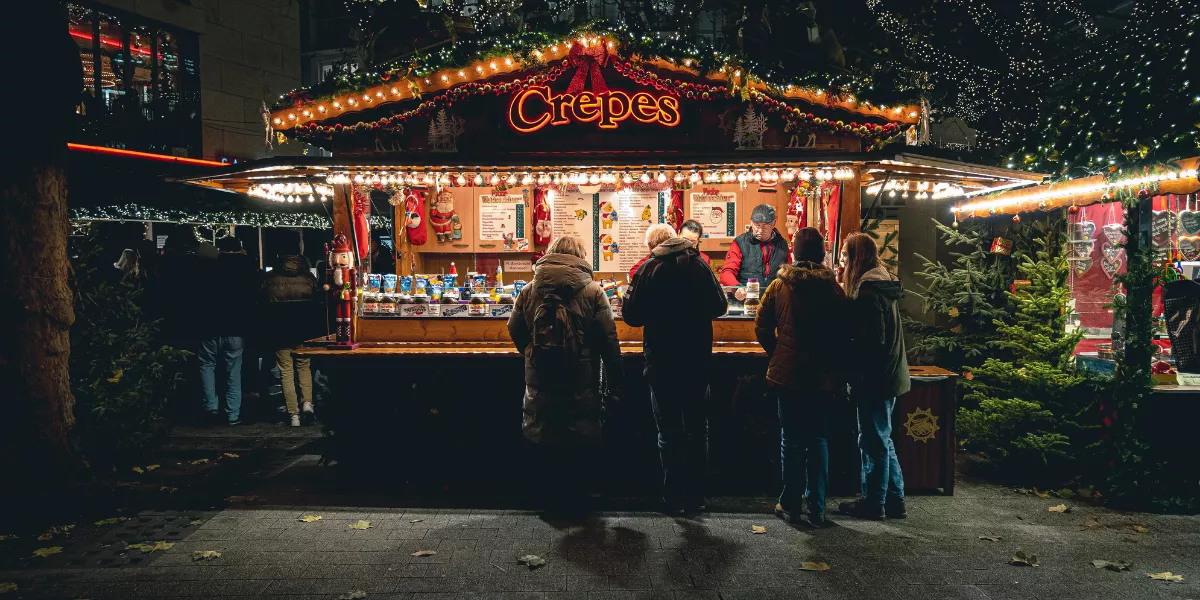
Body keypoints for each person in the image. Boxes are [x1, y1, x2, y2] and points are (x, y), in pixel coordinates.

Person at [507, 235, 624, 512]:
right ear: (581, 256)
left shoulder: (529, 290)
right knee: (577, 434)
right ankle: (577, 499)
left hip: (540, 377)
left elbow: (514, 328)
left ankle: (548, 498)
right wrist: (617, 382)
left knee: (544, 430)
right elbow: (609, 340)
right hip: (580, 377)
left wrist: (530, 351)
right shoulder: (593, 291)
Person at [623, 233, 727, 514]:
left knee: (668, 432)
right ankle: (696, 497)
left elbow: (630, 315)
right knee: (696, 430)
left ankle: (672, 497)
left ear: (655, 245)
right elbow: (721, 306)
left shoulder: (649, 267)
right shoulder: (700, 265)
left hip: (661, 361)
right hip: (696, 360)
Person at [754, 227, 847, 526]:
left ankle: (791, 504)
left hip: (789, 376)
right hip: (822, 376)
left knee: (791, 440)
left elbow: (761, 325)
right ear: (821, 254)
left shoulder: (780, 285)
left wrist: (778, 352)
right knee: (819, 439)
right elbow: (844, 333)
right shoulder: (833, 288)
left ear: (793, 252)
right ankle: (818, 507)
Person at [837, 233, 911, 520]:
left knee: (872, 440)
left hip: (875, 378)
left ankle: (873, 502)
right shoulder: (882, 286)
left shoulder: (867, 294)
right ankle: (894, 499)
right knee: (882, 437)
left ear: (856, 258)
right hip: (889, 373)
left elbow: (869, 343)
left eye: (844, 257)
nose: (842, 264)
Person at [197, 236, 259, 425]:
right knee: (233, 371)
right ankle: (232, 414)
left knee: (207, 365)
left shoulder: (207, 268)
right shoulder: (248, 270)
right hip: (236, 328)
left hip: (210, 326)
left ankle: (211, 407)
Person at [260, 253, 324, 427]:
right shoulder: (308, 278)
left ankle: (293, 415)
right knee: (304, 367)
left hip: (279, 331)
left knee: (286, 371)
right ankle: (307, 405)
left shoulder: (270, 278)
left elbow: (262, 304)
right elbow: (319, 302)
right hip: (304, 330)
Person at [719, 204, 790, 300]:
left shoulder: (782, 243)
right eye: (757, 225)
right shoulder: (740, 242)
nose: (760, 230)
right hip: (746, 301)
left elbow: (789, 272)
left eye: (765, 225)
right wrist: (736, 287)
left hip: (775, 301)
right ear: (751, 222)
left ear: (773, 223)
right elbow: (726, 272)